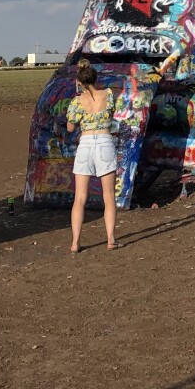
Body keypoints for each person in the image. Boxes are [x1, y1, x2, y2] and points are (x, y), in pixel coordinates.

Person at [66, 61, 118, 252]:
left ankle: (75, 242)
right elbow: (111, 113)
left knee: (80, 197)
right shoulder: (109, 95)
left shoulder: (76, 101)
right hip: (105, 141)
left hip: (86, 144)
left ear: (79, 81)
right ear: (96, 79)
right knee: (109, 195)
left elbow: (70, 127)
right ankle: (111, 238)